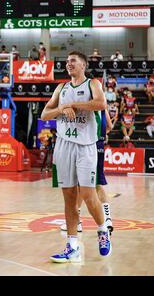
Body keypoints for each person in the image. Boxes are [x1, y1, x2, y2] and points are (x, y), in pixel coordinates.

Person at [41, 51, 111, 263]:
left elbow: (101, 104)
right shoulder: (61, 88)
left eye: (73, 61)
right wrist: (62, 107)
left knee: (89, 195)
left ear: (83, 64)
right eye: (67, 61)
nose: (68, 64)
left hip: (86, 146)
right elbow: (45, 114)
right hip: (63, 146)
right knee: (69, 198)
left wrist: (75, 105)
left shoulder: (93, 84)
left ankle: (102, 231)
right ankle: (72, 246)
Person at [60, 108, 114, 233]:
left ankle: (77, 222)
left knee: (80, 185)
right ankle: (107, 219)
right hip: (99, 145)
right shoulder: (102, 106)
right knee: (98, 184)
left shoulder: (86, 105)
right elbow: (109, 126)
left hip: (88, 146)